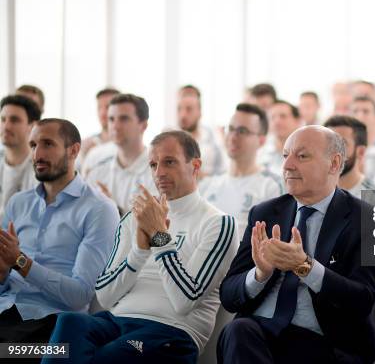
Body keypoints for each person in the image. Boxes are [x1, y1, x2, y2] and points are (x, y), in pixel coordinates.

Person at [45, 131, 239, 363]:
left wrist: (158, 236)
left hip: (170, 333)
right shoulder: (132, 218)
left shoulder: (218, 222)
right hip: (116, 322)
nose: (159, 173)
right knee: (69, 322)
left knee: (108, 355)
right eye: (153, 164)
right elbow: (105, 297)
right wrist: (139, 251)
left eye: (169, 162)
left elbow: (185, 300)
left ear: (195, 165)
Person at [218, 125, 375, 363]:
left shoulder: (368, 219)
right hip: (260, 334)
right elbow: (228, 295)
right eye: (285, 155)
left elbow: (362, 299)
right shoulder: (266, 212)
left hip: (325, 343)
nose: (287, 166)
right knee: (238, 331)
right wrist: (260, 274)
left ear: (334, 163)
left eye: (302, 156)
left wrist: (305, 267)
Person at [0, 119, 118, 345]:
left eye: (47, 144)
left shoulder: (99, 209)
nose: (37, 155)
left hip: (53, 329)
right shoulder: (18, 203)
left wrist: (20, 262)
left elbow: (80, 296)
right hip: (6, 310)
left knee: (7, 353)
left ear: (74, 150)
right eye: (33, 145)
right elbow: (4, 278)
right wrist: (2, 271)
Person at [200, 103, 284, 237]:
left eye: (242, 131)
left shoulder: (272, 186)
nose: (233, 137)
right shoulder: (208, 184)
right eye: (231, 129)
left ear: (261, 140)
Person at [86, 94, 156, 215]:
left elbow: (156, 227)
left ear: (143, 125)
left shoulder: (158, 175)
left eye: (124, 119)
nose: (115, 126)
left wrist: (112, 209)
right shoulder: (96, 173)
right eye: (111, 119)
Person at [323, 115, 375, 199]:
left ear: (361, 152)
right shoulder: (311, 191)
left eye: (341, 144)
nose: (332, 150)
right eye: (328, 143)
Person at [0, 95, 41, 220]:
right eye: (3, 119)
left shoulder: (42, 170)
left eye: (14, 120)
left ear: (32, 126)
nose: (6, 126)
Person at [176, 85, 226, 177]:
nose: (183, 115)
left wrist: (199, 175)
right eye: (179, 109)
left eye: (189, 109)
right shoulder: (168, 139)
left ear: (199, 112)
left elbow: (223, 172)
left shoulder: (214, 139)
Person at [257, 100, 301, 176]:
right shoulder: (260, 153)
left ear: (297, 121)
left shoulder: (307, 152)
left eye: (283, 116)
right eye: (272, 117)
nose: (277, 121)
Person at [80, 88, 121, 161]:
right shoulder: (85, 145)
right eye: (99, 107)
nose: (102, 113)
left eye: (108, 107)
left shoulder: (127, 145)